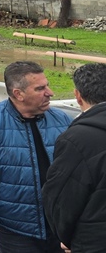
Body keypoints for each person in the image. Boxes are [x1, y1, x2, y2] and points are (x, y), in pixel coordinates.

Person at [0, 61, 71, 252]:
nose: (50, 93)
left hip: (60, 225)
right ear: (18, 94)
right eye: (40, 88)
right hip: (14, 228)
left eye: (47, 85)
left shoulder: (62, 120)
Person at [43, 62, 106, 251]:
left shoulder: (77, 139)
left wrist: (67, 237)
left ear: (78, 96)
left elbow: (62, 198)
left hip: (94, 241)